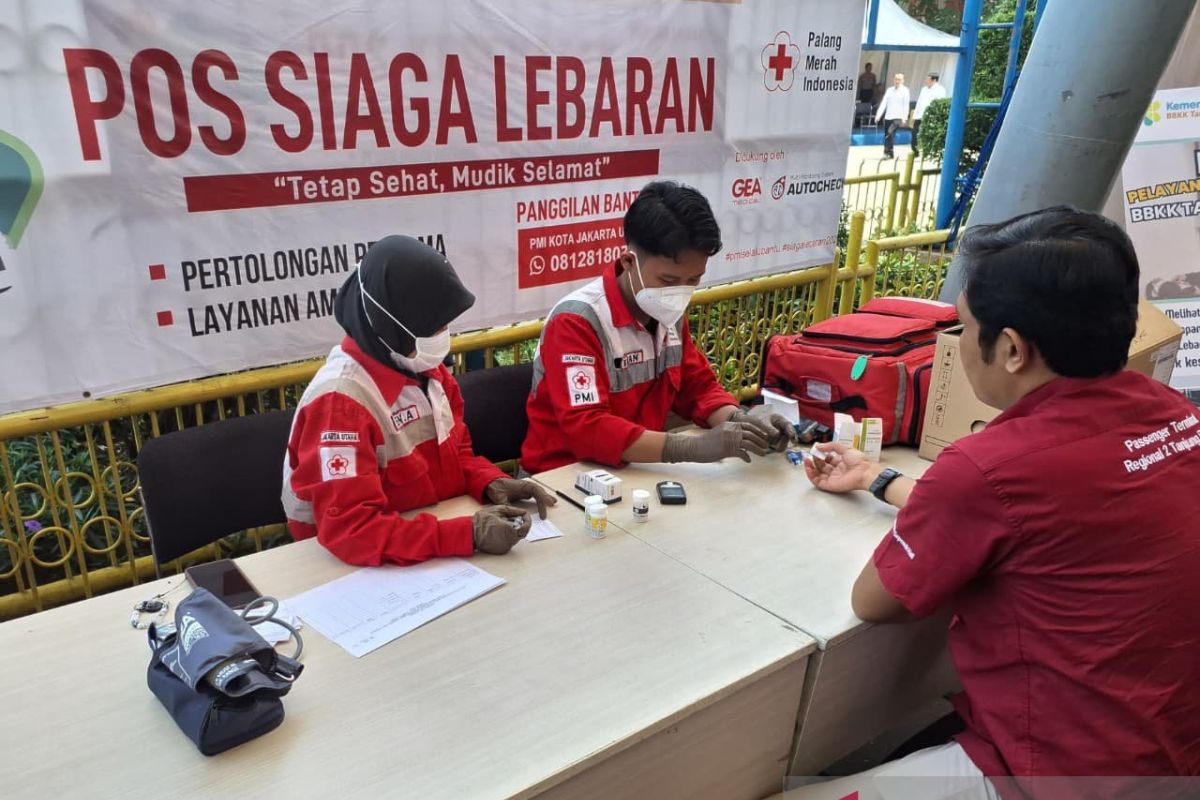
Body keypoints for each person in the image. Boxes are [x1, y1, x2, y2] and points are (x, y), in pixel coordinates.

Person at [798, 207, 1200, 797]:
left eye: (962, 326)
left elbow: (876, 602)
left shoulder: (989, 467)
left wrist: (935, 495)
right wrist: (877, 480)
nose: (956, 343)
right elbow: (1039, 518)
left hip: (1066, 774)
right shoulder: (1180, 421)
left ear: (1011, 348)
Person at [282, 236, 556, 566]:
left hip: (425, 544)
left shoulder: (425, 369)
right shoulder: (340, 405)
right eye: (432, 326)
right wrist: (466, 534)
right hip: (348, 571)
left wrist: (491, 481)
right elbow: (352, 531)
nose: (443, 334)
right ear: (390, 325)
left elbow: (457, 455)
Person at [521, 180, 797, 474]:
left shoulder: (668, 312)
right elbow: (587, 428)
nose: (680, 292)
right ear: (629, 261)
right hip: (562, 478)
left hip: (635, 471)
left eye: (693, 279)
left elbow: (699, 389)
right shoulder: (577, 322)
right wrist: (690, 448)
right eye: (668, 280)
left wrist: (741, 422)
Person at [875, 73, 911, 159]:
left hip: (898, 117)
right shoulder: (889, 90)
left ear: (903, 81)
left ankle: (886, 153)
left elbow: (906, 105)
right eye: (896, 79)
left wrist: (904, 118)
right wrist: (878, 115)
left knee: (890, 133)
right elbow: (884, 103)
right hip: (888, 116)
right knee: (887, 134)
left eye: (899, 79)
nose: (897, 81)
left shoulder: (905, 91)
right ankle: (890, 153)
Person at [911, 72, 946, 157]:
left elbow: (940, 104)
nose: (926, 81)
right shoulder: (924, 89)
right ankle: (915, 151)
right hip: (920, 116)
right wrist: (914, 115)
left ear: (934, 80)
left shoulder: (940, 90)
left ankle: (928, 152)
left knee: (928, 135)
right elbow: (919, 102)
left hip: (930, 117)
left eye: (928, 79)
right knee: (915, 133)